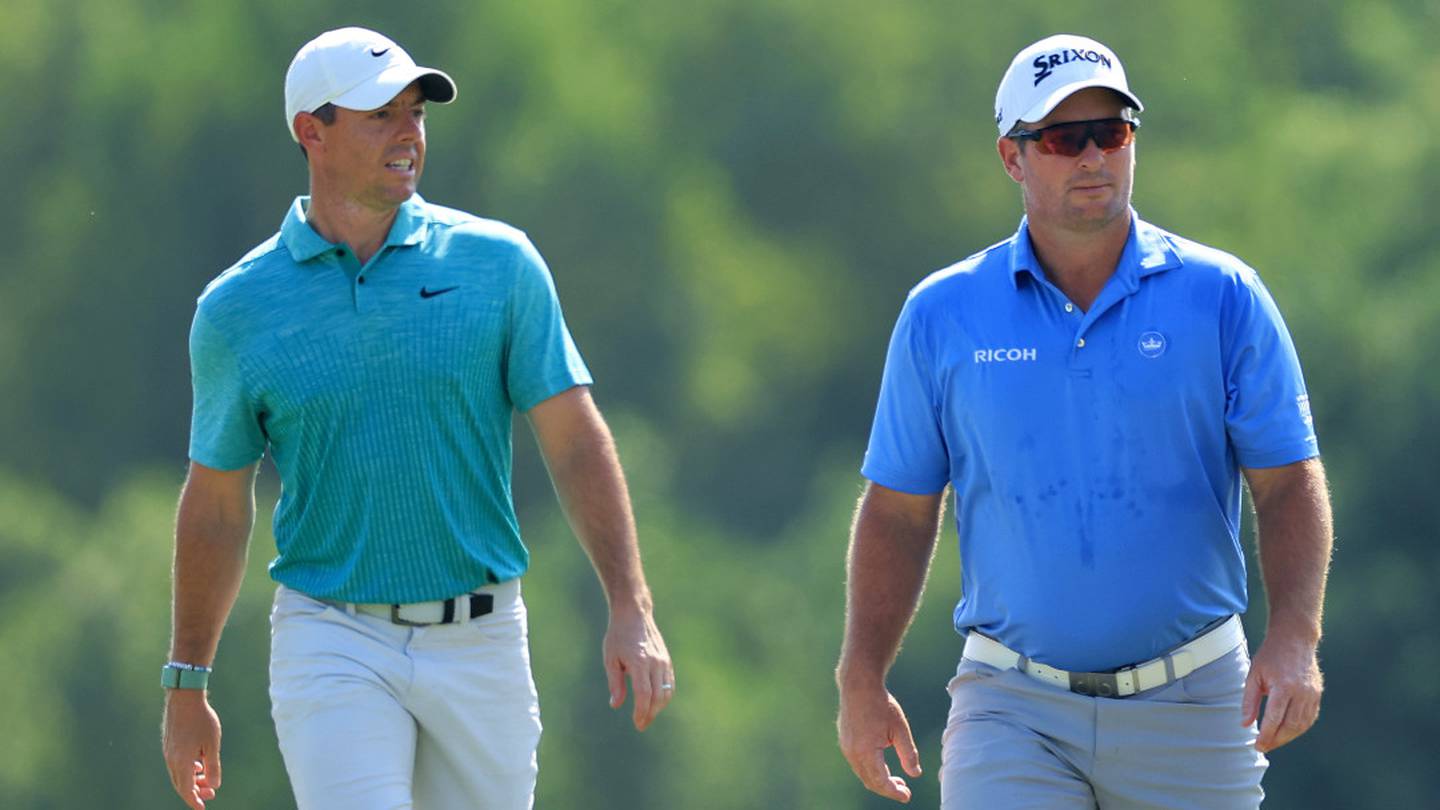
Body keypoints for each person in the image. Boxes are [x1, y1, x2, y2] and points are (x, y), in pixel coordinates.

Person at [159, 26, 674, 810]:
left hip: (483, 636)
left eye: (417, 113)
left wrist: (630, 605)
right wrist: (187, 682)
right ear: (311, 131)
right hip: (332, 637)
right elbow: (218, 506)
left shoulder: (500, 266)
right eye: (380, 115)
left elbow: (574, 444)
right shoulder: (237, 310)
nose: (409, 133)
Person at [835, 33, 1333, 808]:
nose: (1095, 156)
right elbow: (898, 513)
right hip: (1013, 704)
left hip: (1196, 699)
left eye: (1114, 132)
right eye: (1065, 138)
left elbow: (1288, 483)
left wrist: (1296, 637)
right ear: (1013, 157)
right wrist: (861, 677)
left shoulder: (1224, 295)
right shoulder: (943, 314)